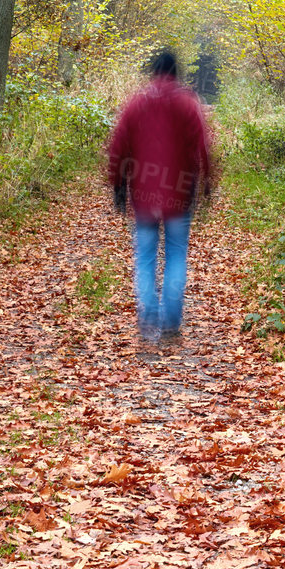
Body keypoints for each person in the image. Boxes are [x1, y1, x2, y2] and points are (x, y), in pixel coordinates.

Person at [106, 48, 215, 346]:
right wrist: (207, 181)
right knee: (176, 255)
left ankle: (148, 313)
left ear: (153, 72)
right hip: (180, 193)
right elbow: (203, 146)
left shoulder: (137, 102)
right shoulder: (187, 103)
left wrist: (117, 184)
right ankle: (169, 322)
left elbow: (118, 146)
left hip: (143, 195)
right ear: (177, 73)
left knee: (144, 257)